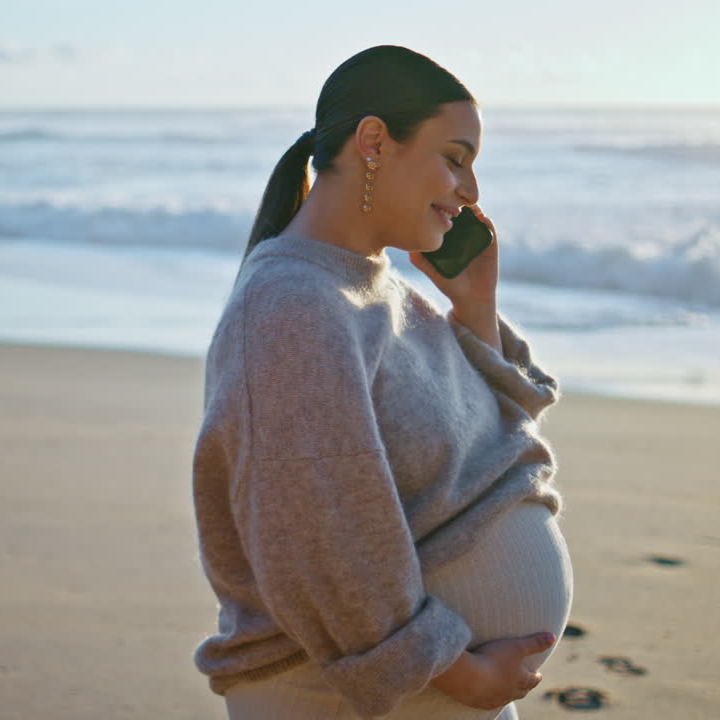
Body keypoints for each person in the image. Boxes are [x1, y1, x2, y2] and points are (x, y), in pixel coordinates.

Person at [190, 45, 573, 719]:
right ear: (373, 142)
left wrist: (476, 308)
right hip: (348, 694)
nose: (471, 191)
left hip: (424, 687)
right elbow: (317, 538)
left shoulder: (383, 292)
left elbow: (495, 445)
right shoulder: (293, 307)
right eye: (454, 159)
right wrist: (459, 674)